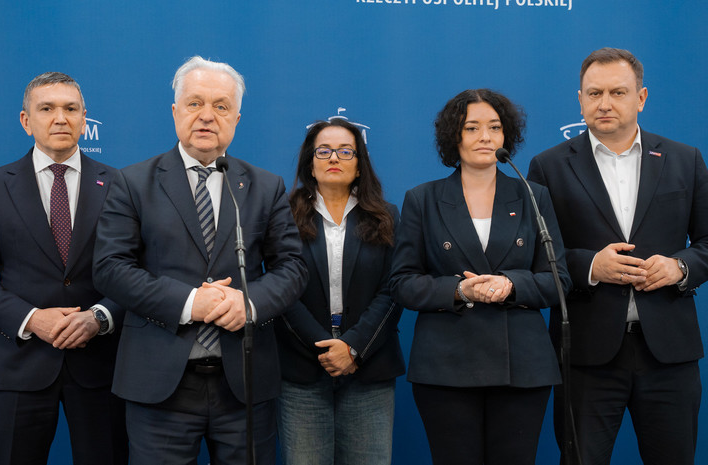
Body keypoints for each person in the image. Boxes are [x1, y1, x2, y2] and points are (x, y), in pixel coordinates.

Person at [92, 55, 307, 465]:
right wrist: (191, 303)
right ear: (175, 111)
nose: (207, 116)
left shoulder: (265, 186)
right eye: (195, 103)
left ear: (236, 119)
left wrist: (249, 303)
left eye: (221, 106)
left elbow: (293, 268)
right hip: (159, 386)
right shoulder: (132, 182)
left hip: (244, 385)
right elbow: (110, 268)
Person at [527, 47, 708, 465]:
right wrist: (592, 266)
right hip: (586, 354)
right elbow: (537, 254)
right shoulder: (548, 166)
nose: (604, 103)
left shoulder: (685, 160)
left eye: (617, 92)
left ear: (641, 97)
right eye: (594, 93)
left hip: (669, 354)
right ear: (580, 100)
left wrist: (680, 267)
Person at [0, 72, 127, 465]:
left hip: (101, 367)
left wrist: (99, 318)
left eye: (70, 109)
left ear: (84, 119)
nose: (60, 118)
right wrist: (32, 319)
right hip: (18, 366)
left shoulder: (120, 184)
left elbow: (135, 273)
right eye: (46, 108)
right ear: (26, 120)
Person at [389, 89, 571, 465]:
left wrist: (511, 284)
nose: (485, 137)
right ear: (453, 136)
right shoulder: (422, 199)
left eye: (494, 127)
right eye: (472, 128)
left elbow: (558, 279)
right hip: (446, 367)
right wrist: (458, 290)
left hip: (522, 366)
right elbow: (403, 282)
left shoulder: (532, 196)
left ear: (507, 135)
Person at [275, 118, 405, 464]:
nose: (334, 157)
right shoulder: (284, 215)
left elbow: (394, 289)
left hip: (369, 367)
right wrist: (325, 347)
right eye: (324, 151)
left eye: (346, 151)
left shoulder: (386, 217)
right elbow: (279, 287)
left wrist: (352, 348)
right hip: (302, 370)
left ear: (359, 165)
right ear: (310, 164)